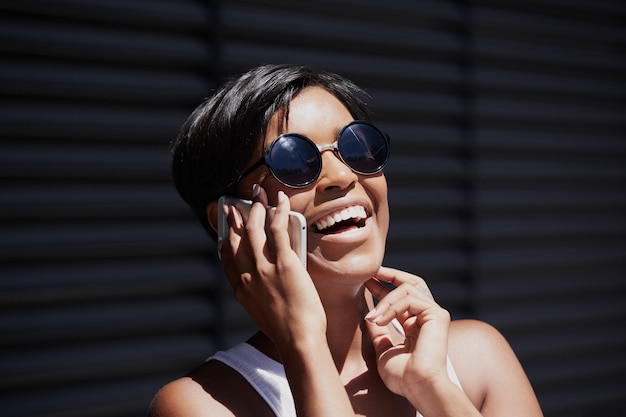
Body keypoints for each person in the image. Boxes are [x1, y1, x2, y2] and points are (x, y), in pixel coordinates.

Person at [149, 64, 543, 417]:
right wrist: (303, 341)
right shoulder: (205, 405)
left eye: (356, 147)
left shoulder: (475, 359)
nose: (341, 176)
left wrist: (434, 392)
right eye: (293, 160)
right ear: (232, 218)